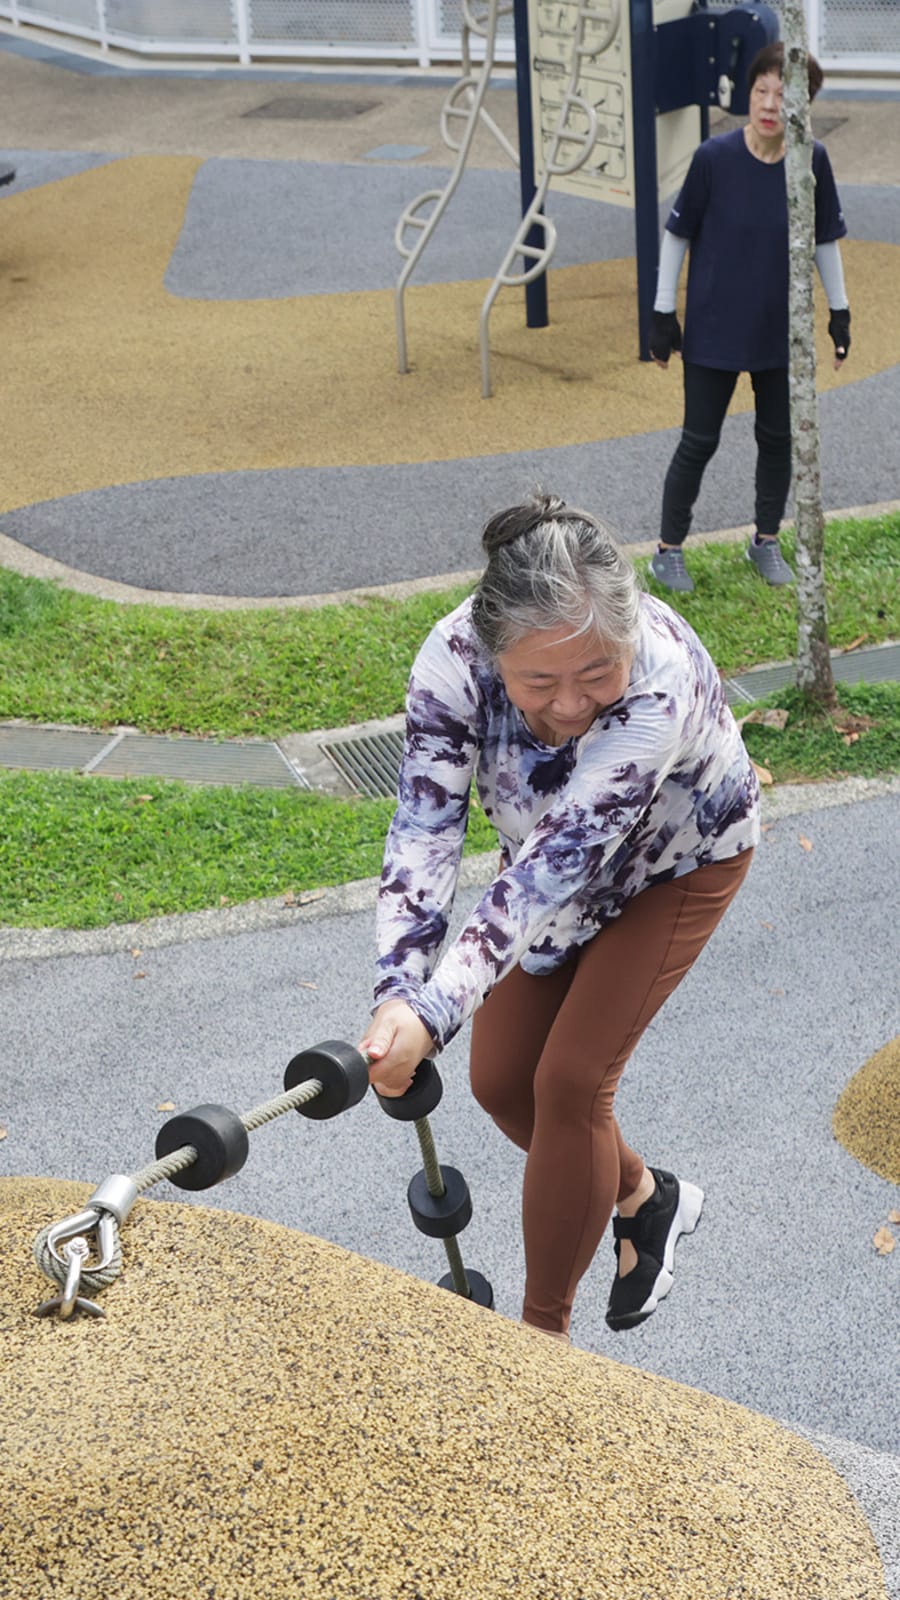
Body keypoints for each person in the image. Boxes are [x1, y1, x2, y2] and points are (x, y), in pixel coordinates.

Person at [360, 493, 758, 1342]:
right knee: (501, 1083)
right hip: (560, 878)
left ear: (627, 638)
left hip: (677, 862)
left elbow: (551, 868)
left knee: (571, 1083)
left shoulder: (661, 685)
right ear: (493, 650)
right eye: (540, 682)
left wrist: (436, 1010)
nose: (572, 704)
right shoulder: (451, 660)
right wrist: (399, 989)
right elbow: (427, 825)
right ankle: (646, 1200)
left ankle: (542, 1345)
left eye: (595, 675)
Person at [649, 41, 851, 595]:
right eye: (760, 91)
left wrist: (840, 310)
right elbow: (677, 234)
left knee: (778, 440)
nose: (767, 104)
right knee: (698, 441)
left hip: (780, 332)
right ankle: (668, 551)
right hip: (713, 331)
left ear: (803, 107)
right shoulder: (714, 158)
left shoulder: (812, 162)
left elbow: (824, 239)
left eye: (782, 95)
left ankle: (765, 540)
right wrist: (663, 311)